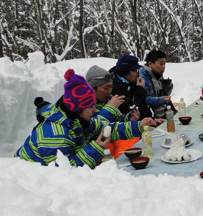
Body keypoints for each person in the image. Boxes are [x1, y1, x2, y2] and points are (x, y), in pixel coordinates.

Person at [15, 69, 156, 168]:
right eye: (91, 107)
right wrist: (96, 147)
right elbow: (67, 171)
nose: (95, 111)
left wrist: (139, 125)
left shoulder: (80, 120)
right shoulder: (56, 134)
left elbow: (108, 129)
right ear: (78, 110)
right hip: (30, 182)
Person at [109, 54, 155, 119]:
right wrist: (140, 90)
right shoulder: (116, 88)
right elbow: (133, 111)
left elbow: (144, 107)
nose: (138, 73)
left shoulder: (130, 83)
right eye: (135, 70)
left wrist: (153, 120)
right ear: (125, 72)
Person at [140, 50, 175, 118]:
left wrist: (168, 86)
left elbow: (165, 94)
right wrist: (162, 100)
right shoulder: (143, 78)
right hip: (154, 116)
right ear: (150, 64)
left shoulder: (158, 74)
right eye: (161, 64)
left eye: (164, 64)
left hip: (166, 111)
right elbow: (144, 100)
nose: (163, 67)